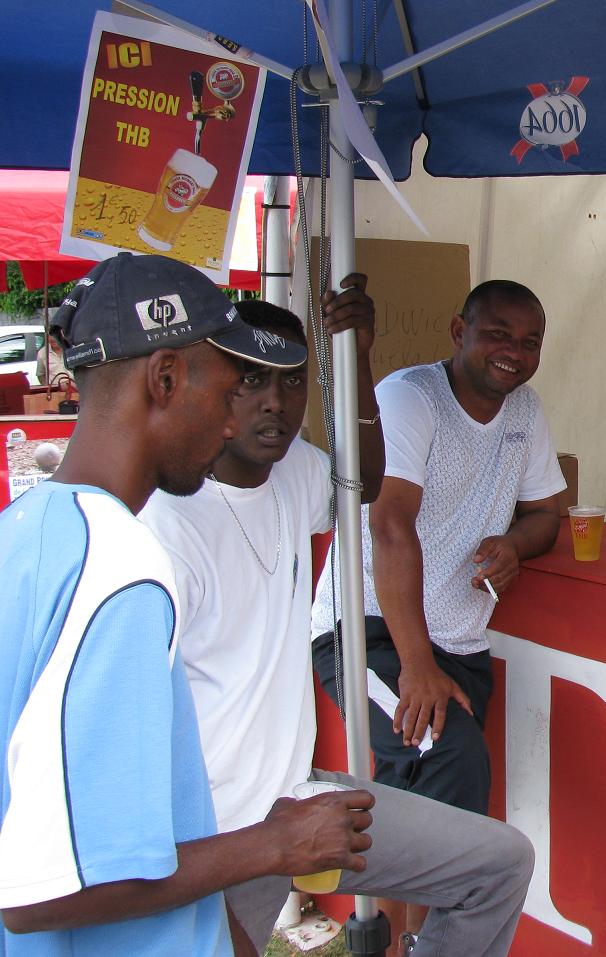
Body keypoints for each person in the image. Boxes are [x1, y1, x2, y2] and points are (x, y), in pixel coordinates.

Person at [139, 285, 535, 957]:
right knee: (447, 748)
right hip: (210, 832)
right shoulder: (162, 530)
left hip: (294, 800)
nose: (273, 401)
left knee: (497, 862)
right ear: (204, 385)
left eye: (292, 382)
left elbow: (369, 479)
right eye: (249, 380)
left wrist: (354, 358)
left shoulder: (295, 470)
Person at [0, 253, 372, 957]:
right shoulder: (120, 566)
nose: (233, 426)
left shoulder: (29, 528)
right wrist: (276, 841)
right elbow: (41, 889)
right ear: (165, 378)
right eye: (228, 391)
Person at [311, 278, 565, 947]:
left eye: (529, 340)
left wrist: (513, 543)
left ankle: (391, 941)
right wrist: (416, 665)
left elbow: (547, 516)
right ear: (458, 331)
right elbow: (388, 525)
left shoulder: (525, 411)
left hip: (458, 640)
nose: (514, 351)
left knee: (414, 800)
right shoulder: (407, 396)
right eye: (498, 333)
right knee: (452, 759)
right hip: (367, 631)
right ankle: (420, 940)